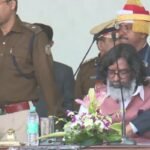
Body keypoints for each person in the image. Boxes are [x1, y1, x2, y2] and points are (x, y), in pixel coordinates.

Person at [0, 0, 59, 143]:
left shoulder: (32, 35)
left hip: (19, 118)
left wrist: (55, 120)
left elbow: (46, 79)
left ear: (12, 4)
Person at [77, 43, 150, 142]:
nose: (116, 78)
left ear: (134, 72)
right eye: (111, 72)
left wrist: (132, 128)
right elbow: (79, 135)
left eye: (123, 72)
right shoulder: (94, 98)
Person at [33, 23, 75, 118]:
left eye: (39, 42)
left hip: (52, 128)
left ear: (50, 44)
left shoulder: (64, 72)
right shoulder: (15, 69)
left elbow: (69, 106)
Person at [75, 19, 119, 101]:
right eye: (114, 40)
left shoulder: (129, 67)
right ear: (100, 45)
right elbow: (77, 101)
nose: (120, 44)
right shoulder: (87, 69)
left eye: (121, 40)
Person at [116, 0, 150, 78]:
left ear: (142, 33)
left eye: (127, 28)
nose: (121, 33)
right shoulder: (113, 59)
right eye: (120, 27)